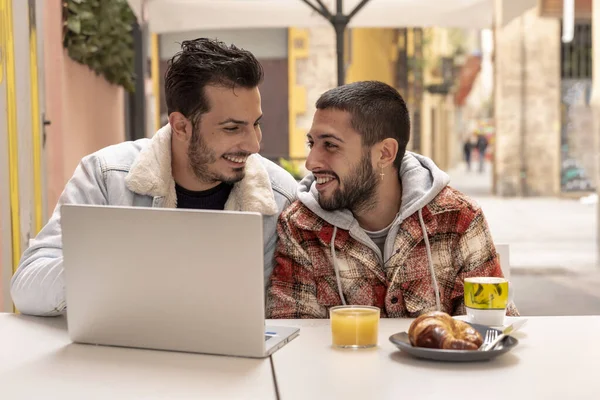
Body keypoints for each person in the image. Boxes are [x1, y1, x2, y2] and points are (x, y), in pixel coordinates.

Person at [11, 38, 298, 316]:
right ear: (181, 126)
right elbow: (26, 287)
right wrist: (112, 266)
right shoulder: (105, 177)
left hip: (237, 363)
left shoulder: (280, 195)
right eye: (232, 128)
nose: (253, 145)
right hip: (121, 359)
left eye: (255, 124)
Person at [266, 81, 518, 319]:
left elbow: (489, 329)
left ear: (385, 153)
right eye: (312, 143)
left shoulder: (457, 217)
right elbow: (295, 338)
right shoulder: (300, 225)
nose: (311, 162)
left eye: (330, 145)